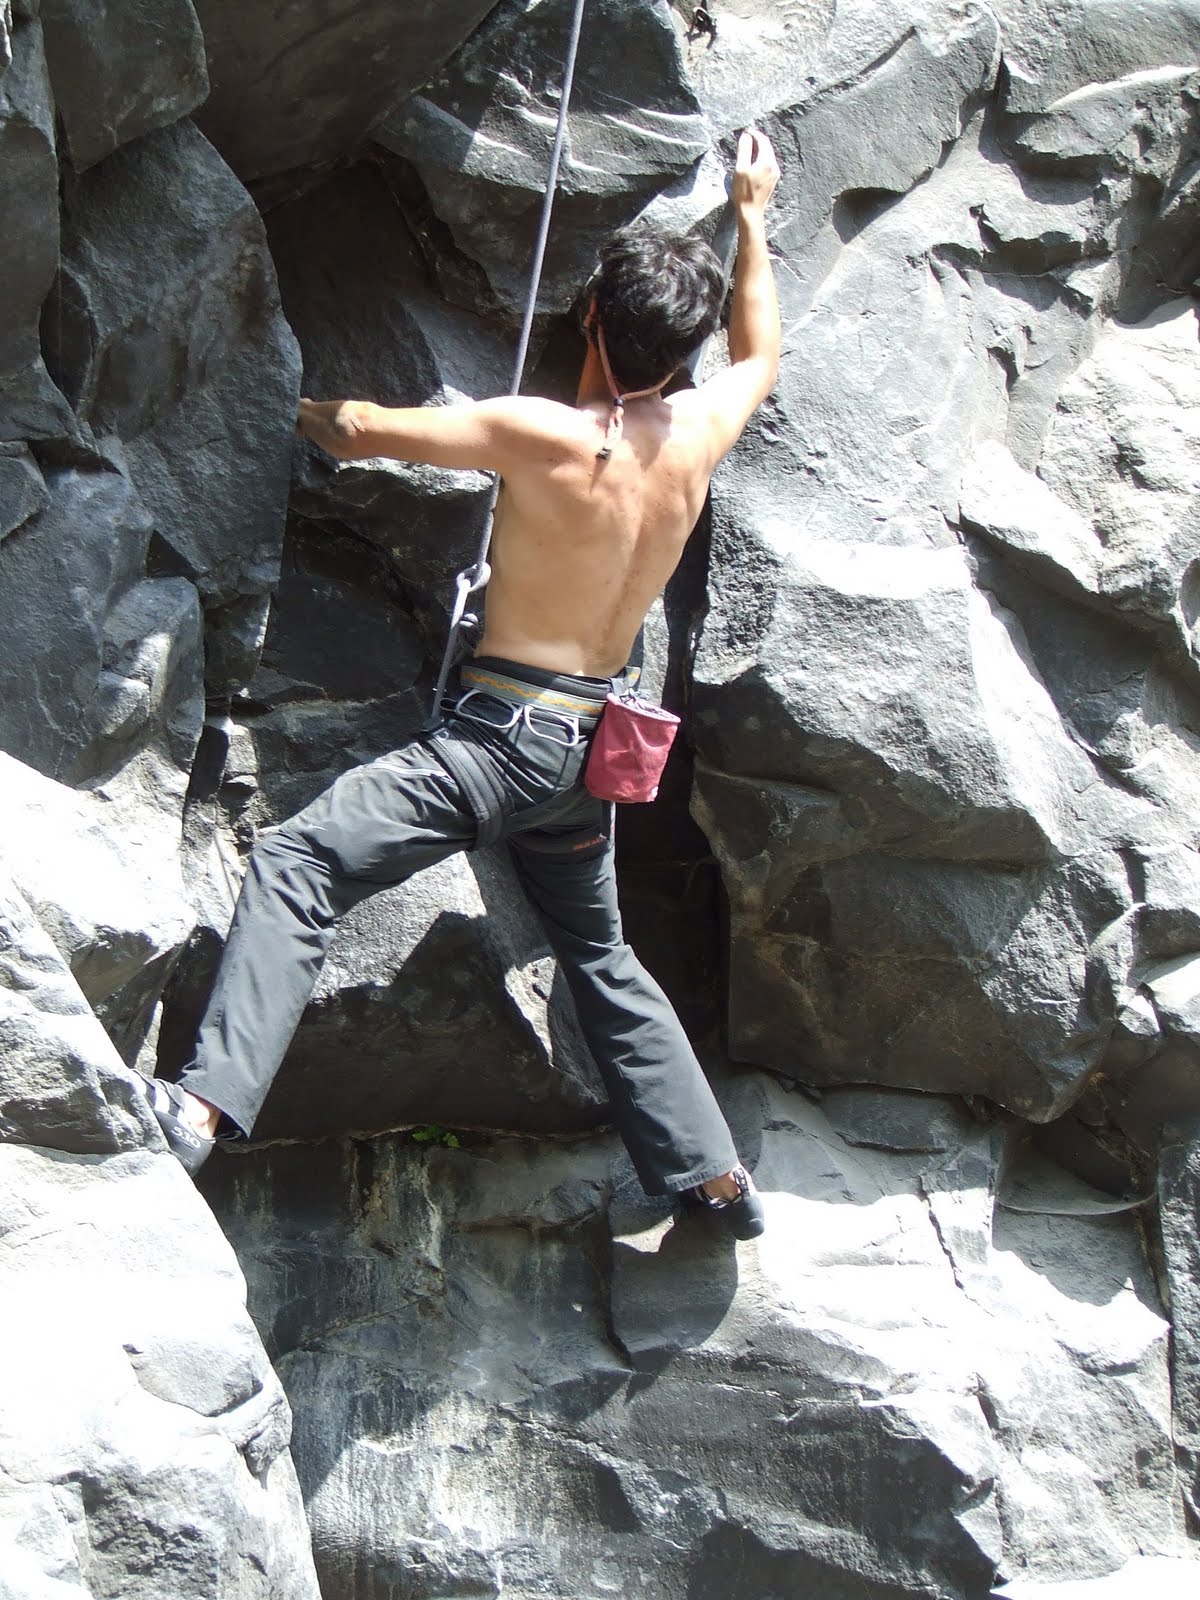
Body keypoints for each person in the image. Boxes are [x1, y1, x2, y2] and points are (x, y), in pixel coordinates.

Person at [147, 128, 781, 1240]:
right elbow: (761, 356)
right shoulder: (698, 435)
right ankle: (715, 1177)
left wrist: (298, 411)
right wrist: (754, 215)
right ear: (682, 356)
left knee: (299, 859)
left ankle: (203, 1103)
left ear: (590, 316)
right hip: (591, 758)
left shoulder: (535, 433)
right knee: (599, 949)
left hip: (498, 743)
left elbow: (365, 432)